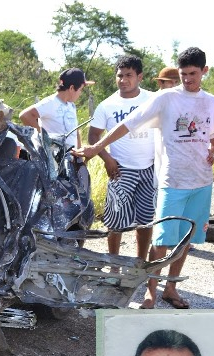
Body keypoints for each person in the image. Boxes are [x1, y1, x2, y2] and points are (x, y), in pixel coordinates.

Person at [73, 47, 214, 309]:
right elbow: (129, 123)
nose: (187, 79)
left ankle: (171, 288)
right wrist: (97, 149)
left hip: (201, 182)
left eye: (193, 74)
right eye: (183, 74)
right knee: (162, 239)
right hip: (171, 181)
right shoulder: (165, 98)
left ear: (204, 71)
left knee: (186, 239)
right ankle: (150, 292)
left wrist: (213, 150)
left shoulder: (211, 101)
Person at [88, 55, 156, 260]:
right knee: (115, 222)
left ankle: (140, 263)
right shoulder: (107, 105)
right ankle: (114, 265)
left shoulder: (153, 99)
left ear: (140, 77)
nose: (123, 80)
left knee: (145, 221)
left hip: (149, 168)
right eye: (120, 75)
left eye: (129, 75)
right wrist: (107, 159)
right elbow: (93, 136)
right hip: (120, 169)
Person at [19, 68, 94, 149]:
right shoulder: (50, 103)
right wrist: (43, 139)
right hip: (54, 158)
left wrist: (79, 155)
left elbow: (75, 131)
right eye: (80, 89)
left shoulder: (71, 105)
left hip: (71, 159)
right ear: (72, 88)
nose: (80, 93)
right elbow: (25, 116)